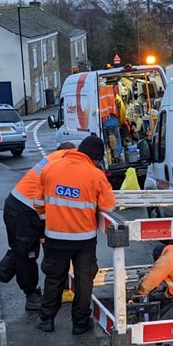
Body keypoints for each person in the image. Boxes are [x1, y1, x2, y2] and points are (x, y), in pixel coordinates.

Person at [0, 141, 76, 316]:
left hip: (17, 207)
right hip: (24, 211)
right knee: (27, 255)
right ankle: (31, 297)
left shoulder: (53, 158)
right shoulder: (63, 162)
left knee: (20, 252)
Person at [36, 136, 116, 334]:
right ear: (95, 158)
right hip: (83, 239)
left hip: (55, 236)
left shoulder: (51, 168)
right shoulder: (95, 175)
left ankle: (46, 319)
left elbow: (38, 203)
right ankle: (80, 323)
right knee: (84, 280)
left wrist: (50, 220)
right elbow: (109, 206)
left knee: (54, 278)